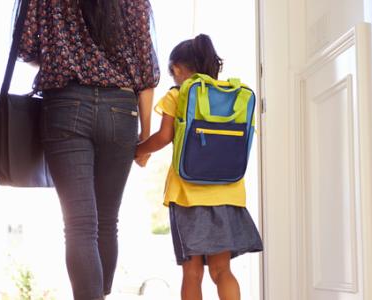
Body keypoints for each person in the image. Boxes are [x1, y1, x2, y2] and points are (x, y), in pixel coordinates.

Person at [17, 0, 160, 299]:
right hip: (121, 111)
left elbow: (26, 46)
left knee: (80, 225)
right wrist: (145, 138)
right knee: (107, 221)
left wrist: (63, 53)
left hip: (66, 104)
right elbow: (146, 74)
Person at [135, 34, 263, 300]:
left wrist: (137, 152)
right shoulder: (232, 95)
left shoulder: (178, 94)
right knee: (222, 271)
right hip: (228, 194)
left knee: (192, 274)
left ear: (178, 69)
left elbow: (163, 137)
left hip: (188, 195)